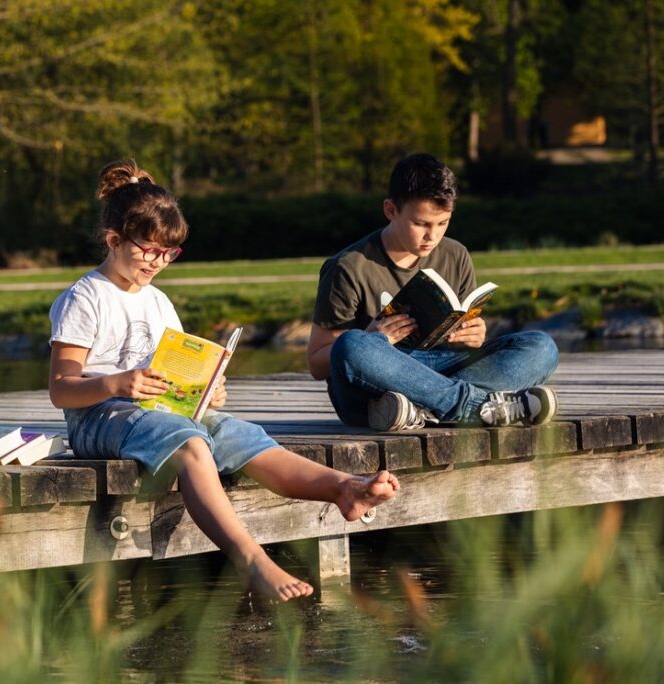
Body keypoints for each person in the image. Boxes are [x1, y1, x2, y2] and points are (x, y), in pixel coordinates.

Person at [48, 160, 401, 602]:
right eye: (149, 250)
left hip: (154, 411)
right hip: (98, 416)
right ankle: (250, 559)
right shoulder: (85, 298)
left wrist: (205, 391)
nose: (158, 262)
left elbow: (171, 371)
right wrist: (117, 384)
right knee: (193, 445)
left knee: (237, 433)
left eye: (169, 253)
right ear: (114, 240)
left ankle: (343, 489)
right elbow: (61, 388)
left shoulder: (157, 302)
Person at [306, 153, 560, 431]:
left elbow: (462, 332)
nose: (433, 236)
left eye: (443, 223)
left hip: (438, 370)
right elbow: (318, 363)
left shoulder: (456, 255)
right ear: (391, 210)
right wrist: (374, 338)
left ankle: (419, 410)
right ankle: (478, 407)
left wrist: (474, 337)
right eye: (421, 224)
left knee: (541, 347)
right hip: (375, 384)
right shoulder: (349, 267)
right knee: (352, 345)